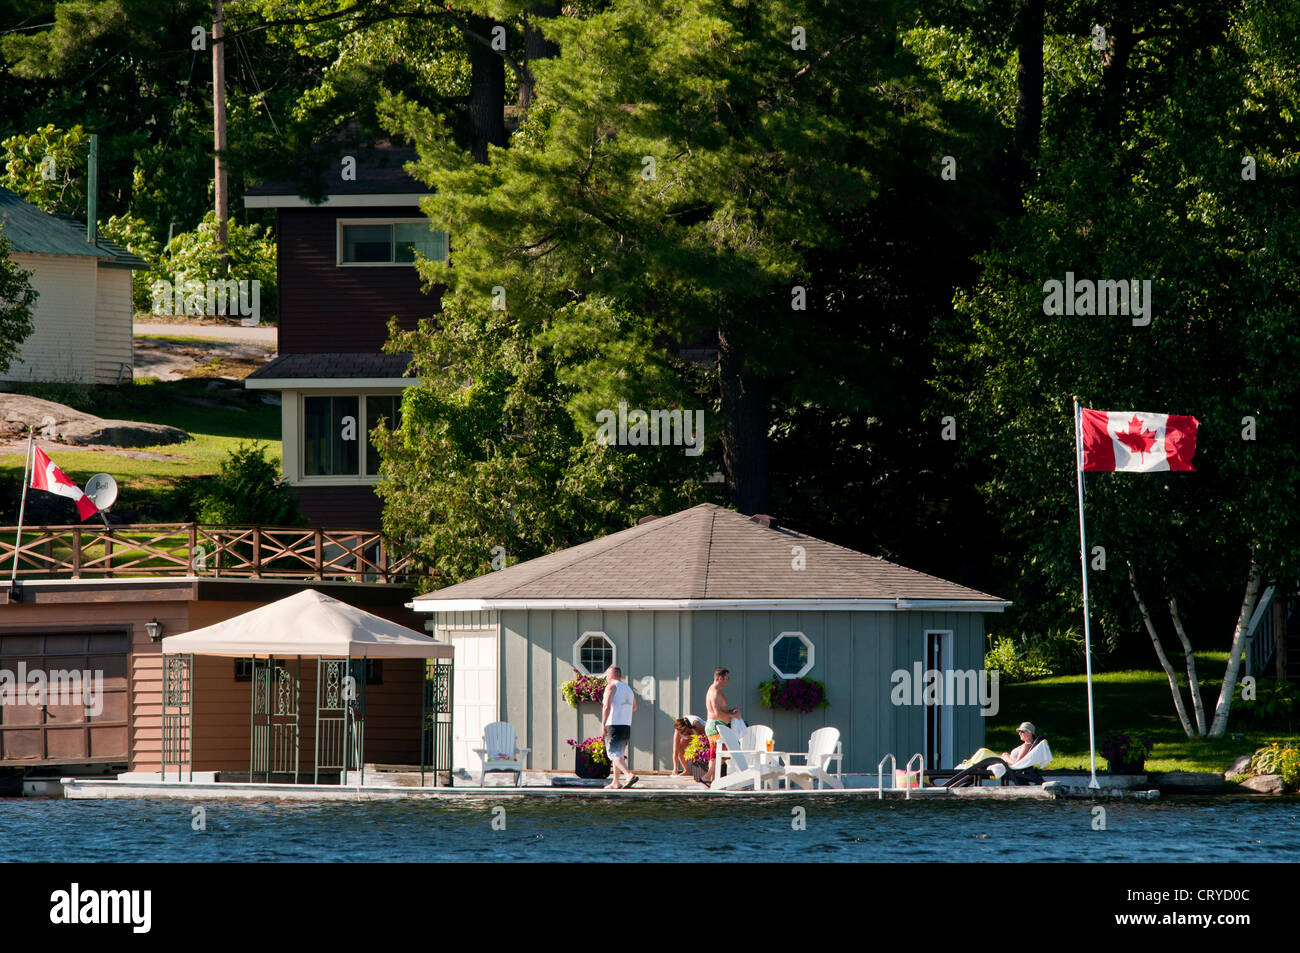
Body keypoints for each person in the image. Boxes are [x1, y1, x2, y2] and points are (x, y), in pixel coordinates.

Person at [601, 665, 638, 789]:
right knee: (619, 754)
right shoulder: (628, 688)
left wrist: (603, 723)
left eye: (606, 675)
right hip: (626, 725)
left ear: (611, 675)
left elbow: (606, 706)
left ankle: (628, 775)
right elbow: (634, 707)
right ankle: (615, 782)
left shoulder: (611, 686)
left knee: (613, 753)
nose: (606, 678)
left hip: (613, 724)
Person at [702, 668, 740, 783]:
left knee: (714, 755)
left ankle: (712, 781)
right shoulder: (715, 692)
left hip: (714, 726)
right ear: (720, 678)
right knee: (724, 753)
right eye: (727, 678)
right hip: (716, 726)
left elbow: (720, 711)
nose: (729, 681)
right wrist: (733, 715)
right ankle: (707, 777)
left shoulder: (714, 690)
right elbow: (717, 714)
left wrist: (730, 711)